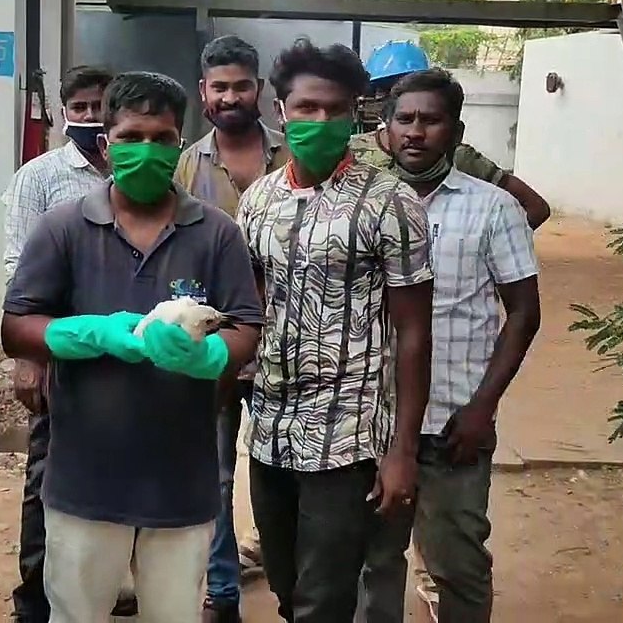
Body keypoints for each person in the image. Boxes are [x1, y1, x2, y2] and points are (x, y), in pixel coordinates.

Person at [1, 71, 263, 623]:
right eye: (131, 137)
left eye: (161, 138)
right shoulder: (63, 228)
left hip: (181, 478)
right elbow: (15, 325)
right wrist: (82, 334)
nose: (147, 150)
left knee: (174, 613)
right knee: (77, 613)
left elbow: (244, 324)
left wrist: (213, 355)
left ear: (179, 145)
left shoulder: (216, 233)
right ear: (106, 144)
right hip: (84, 476)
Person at [236, 38, 434, 622]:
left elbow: (414, 333)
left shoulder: (391, 203)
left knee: (323, 600)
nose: (321, 120)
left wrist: (402, 451)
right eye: (307, 107)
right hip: (270, 429)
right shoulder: (257, 201)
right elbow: (249, 311)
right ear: (281, 111)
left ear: (354, 114)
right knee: (284, 584)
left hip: (347, 436)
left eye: (335, 109)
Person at [362, 69, 541, 623]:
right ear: (386, 130)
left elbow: (524, 313)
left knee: (456, 562)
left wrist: (482, 408)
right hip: (372, 419)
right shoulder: (361, 206)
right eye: (404, 119)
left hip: (453, 422)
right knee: (373, 561)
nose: (416, 132)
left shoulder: (494, 208)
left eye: (431, 120)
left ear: (457, 132)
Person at [2, 64, 142, 621]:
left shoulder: (141, 171)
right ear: (63, 114)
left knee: (124, 474)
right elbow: (18, 272)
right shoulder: (39, 178)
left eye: (98, 107)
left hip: (132, 361)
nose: (88, 117)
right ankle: (36, 598)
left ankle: (108, 588)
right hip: (63, 359)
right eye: (78, 108)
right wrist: (32, 359)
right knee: (49, 478)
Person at [173, 34, 288, 623]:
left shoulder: (292, 155)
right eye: (220, 87)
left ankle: (292, 586)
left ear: (259, 89)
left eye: (242, 86)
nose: (231, 97)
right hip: (211, 345)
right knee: (213, 475)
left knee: (282, 473)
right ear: (204, 92)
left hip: (288, 345)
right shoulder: (184, 164)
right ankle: (221, 594)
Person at [352, 41, 551, 229]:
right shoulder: (353, 152)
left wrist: (492, 241)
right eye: (383, 90)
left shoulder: (458, 157)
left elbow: (535, 207)